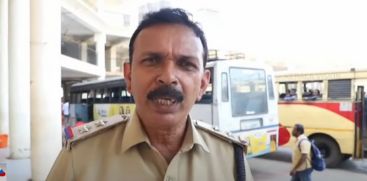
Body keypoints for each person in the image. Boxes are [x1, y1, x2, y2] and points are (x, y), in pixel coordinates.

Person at [47, 8, 253, 181]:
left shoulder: (232, 159)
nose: (168, 77)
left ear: (202, 84)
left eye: (186, 64)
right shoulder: (80, 157)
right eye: (152, 60)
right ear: (128, 76)